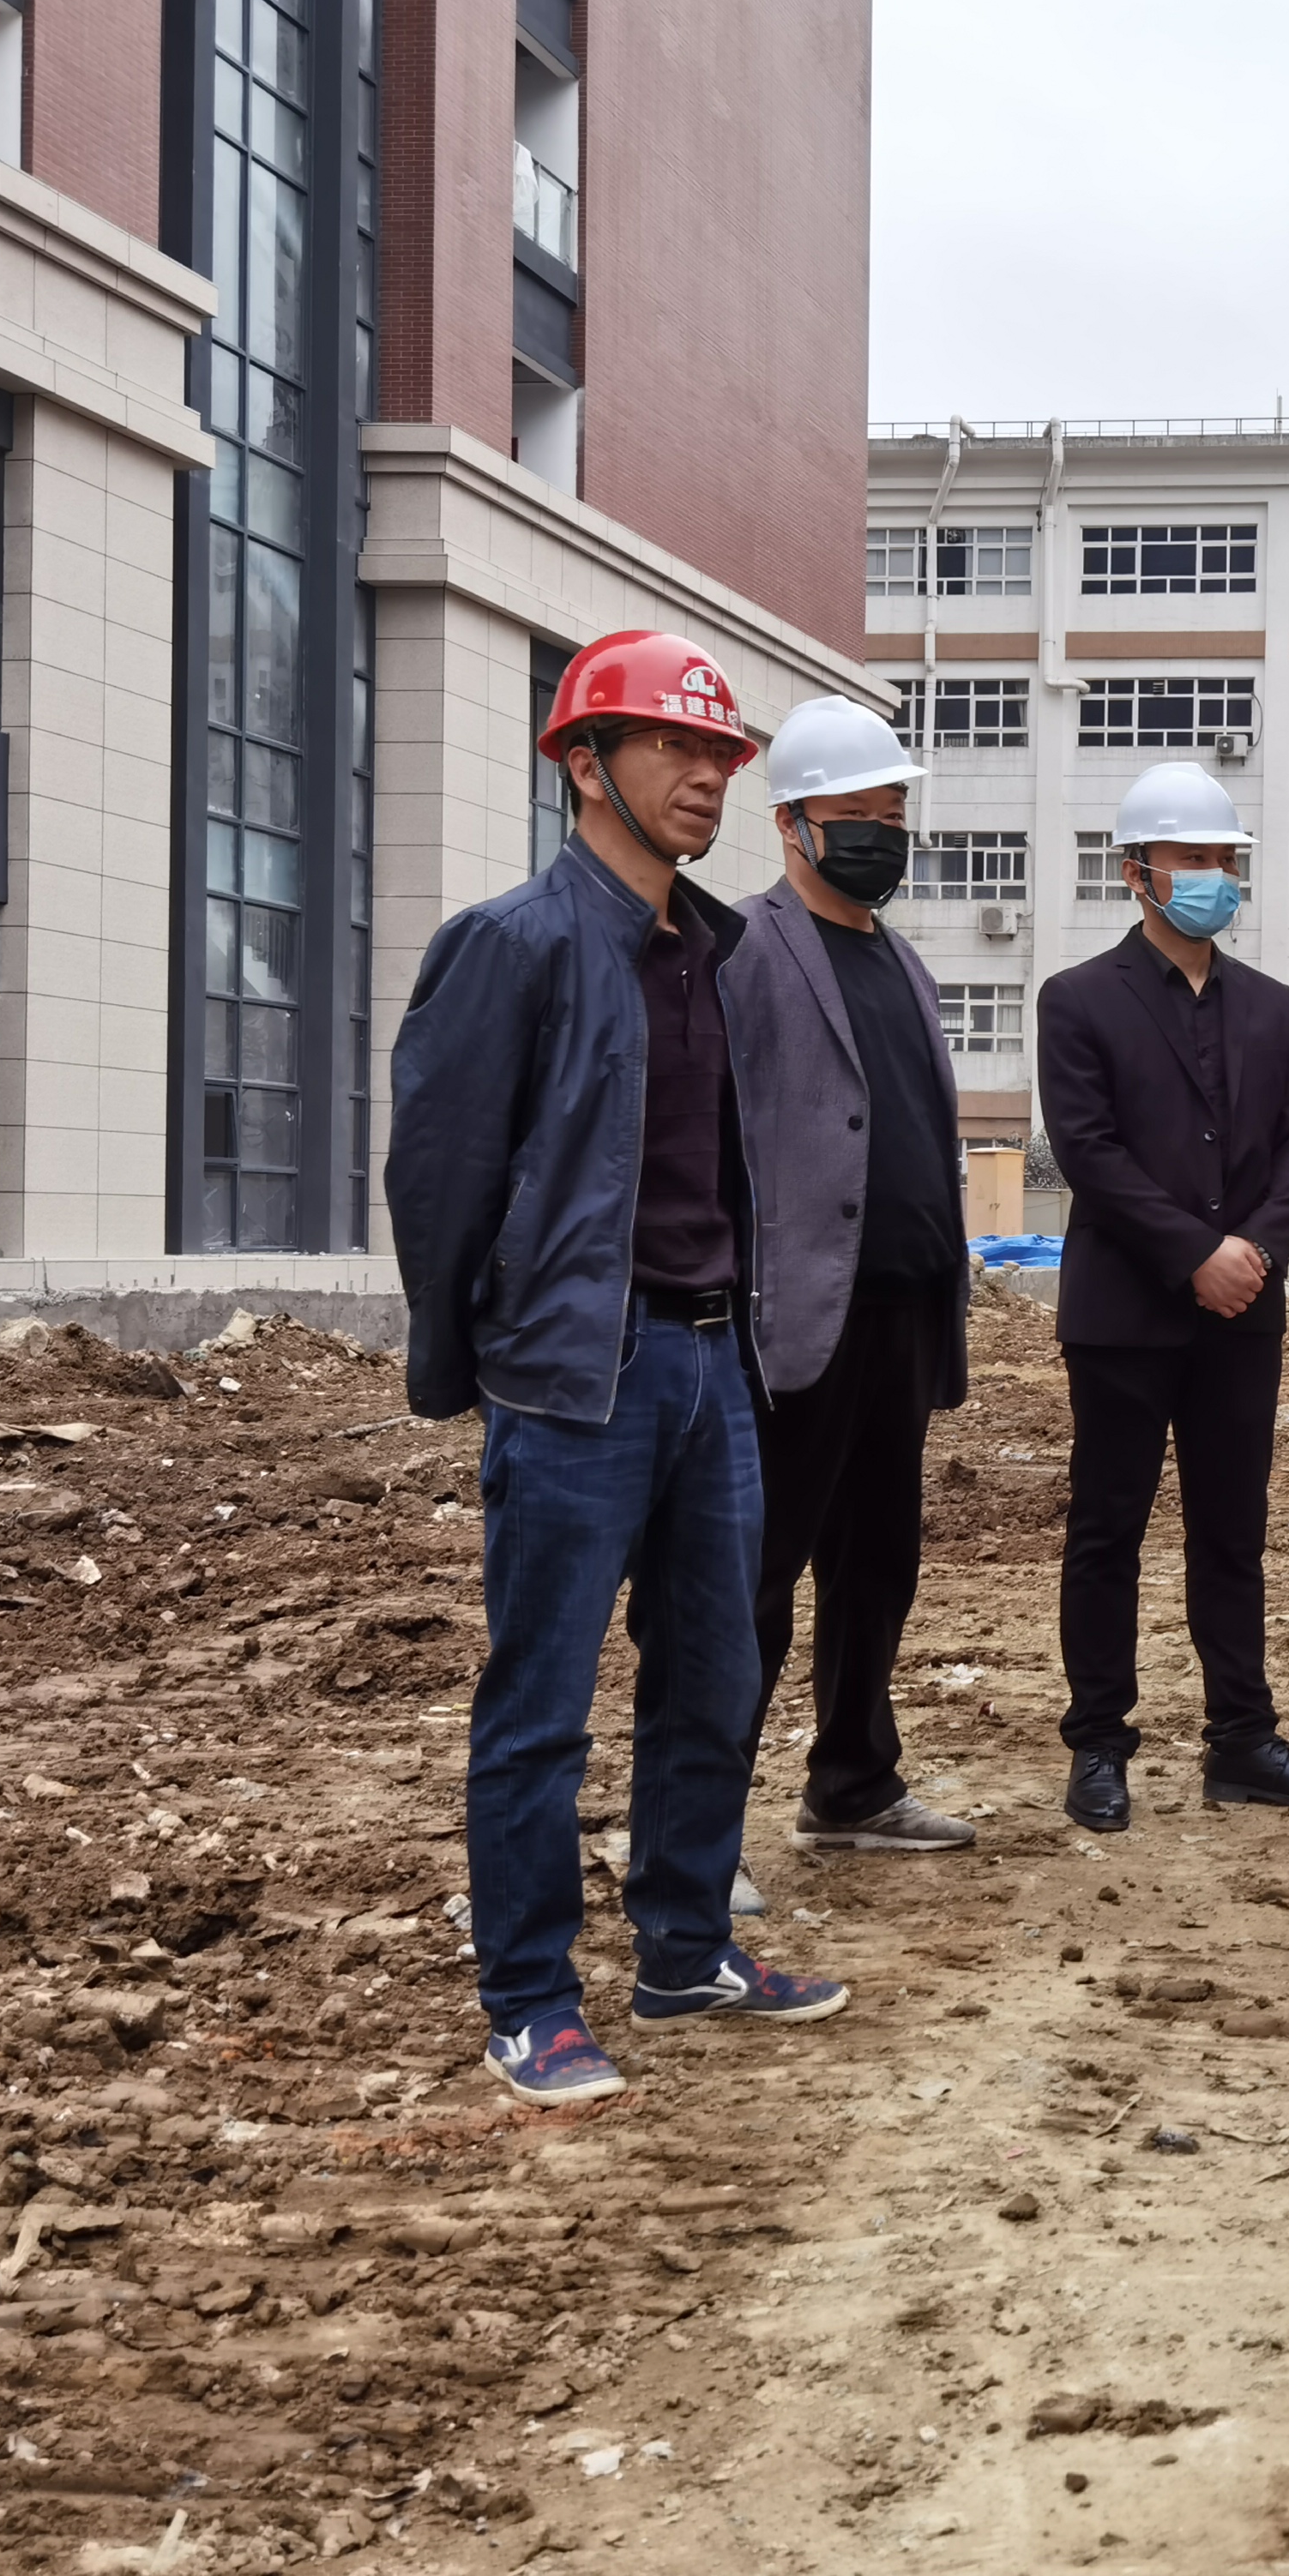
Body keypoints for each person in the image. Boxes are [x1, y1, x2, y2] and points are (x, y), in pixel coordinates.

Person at [388, 629, 848, 2110]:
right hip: (577, 1374)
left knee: (715, 1674)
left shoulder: (713, 951)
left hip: (712, 1367)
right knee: (542, 1702)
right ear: (585, 765)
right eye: (673, 746)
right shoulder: (513, 943)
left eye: (720, 753)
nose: (706, 776)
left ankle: (684, 1947)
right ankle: (529, 2000)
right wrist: (471, 1358)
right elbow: (439, 1174)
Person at [1036, 761, 1289, 1834]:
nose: (1214, 876)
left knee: (1231, 1532)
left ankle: (1242, 1741)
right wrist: (1193, 1255)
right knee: (1106, 1529)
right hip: (1124, 1314)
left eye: (1225, 859)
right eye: (1193, 859)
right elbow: (1089, 1151)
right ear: (1136, 872)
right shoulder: (1079, 999)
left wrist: (1252, 1252)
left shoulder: (1271, 1007)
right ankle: (1098, 1743)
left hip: (1240, 1314)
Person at [699, 695, 977, 1856]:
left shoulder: (902, 962)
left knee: (876, 1565)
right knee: (754, 1578)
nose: (881, 836)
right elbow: (716, 1137)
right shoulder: (742, 951)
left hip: (904, 1311)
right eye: (857, 815)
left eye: (894, 816)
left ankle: (853, 1784)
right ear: (790, 823)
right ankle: (701, 1831)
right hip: (797, 1319)